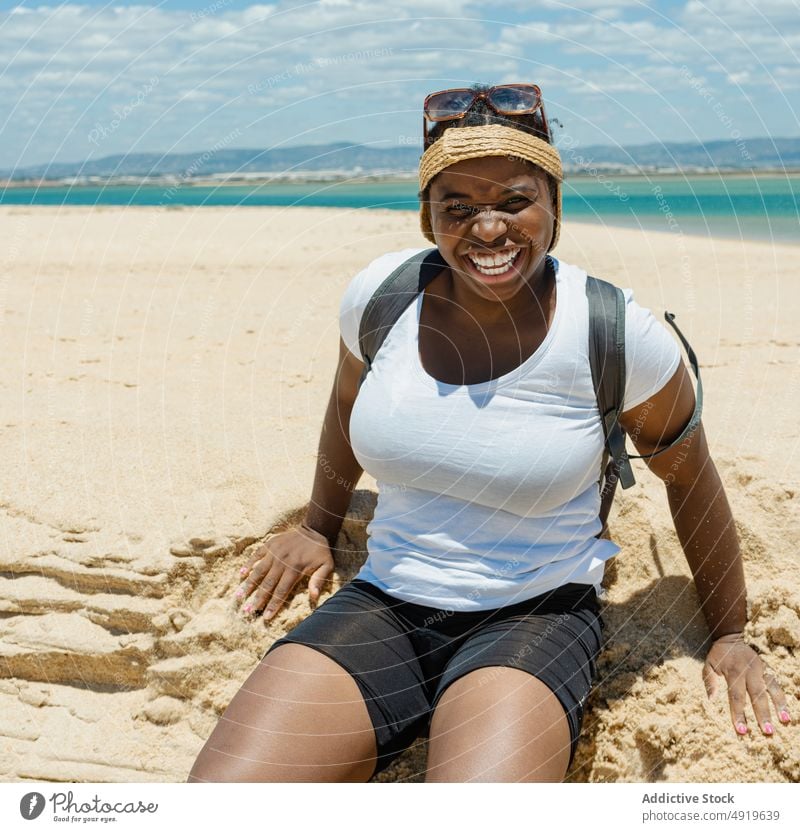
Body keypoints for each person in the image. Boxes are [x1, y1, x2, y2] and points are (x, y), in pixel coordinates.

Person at [187, 82, 791, 784]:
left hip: (535, 616)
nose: (489, 230)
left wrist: (731, 634)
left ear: (554, 206)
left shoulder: (615, 332)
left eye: (514, 202)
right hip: (385, 601)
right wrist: (318, 526)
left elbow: (690, 477)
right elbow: (345, 405)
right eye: (459, 207)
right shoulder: (383, 299)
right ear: (427, 217)